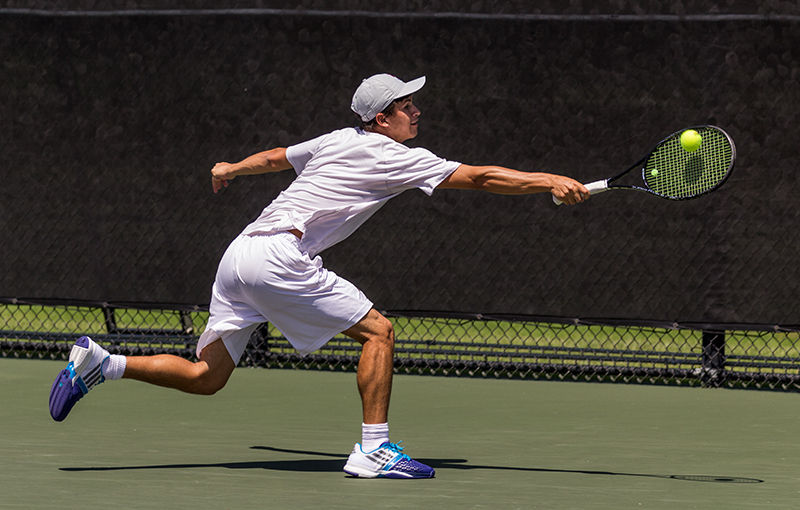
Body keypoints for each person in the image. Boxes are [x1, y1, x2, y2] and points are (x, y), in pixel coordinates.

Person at [48, 73, 589, 479]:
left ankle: (103, 363)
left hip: (239, 255)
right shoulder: (391, 154)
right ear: (383, 119)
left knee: (206, 377)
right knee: (379, 331)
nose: (416, 111)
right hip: (280, 257)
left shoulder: (335, 140)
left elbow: (278, 158)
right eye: (406, 106)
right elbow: (480, 177)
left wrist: (230, 168)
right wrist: (549, 180)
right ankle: (374, 449)